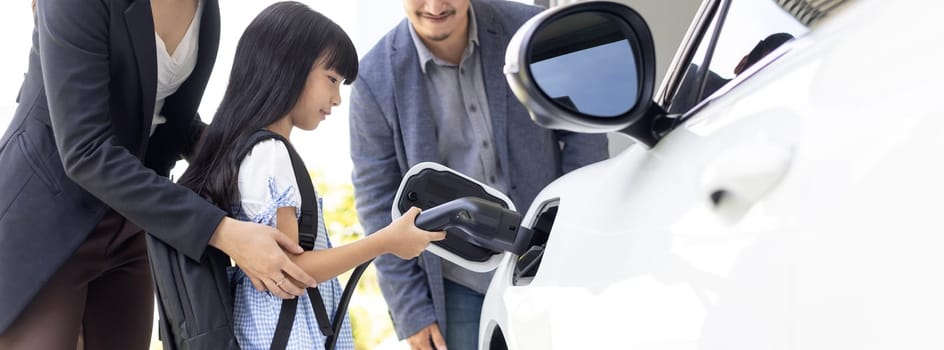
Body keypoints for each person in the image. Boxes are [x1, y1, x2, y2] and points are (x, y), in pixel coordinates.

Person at [0, 0, 320, 348]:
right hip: (49, 216)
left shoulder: (205, 10)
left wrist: (251, 157)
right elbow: (85, 150)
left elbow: (172, 121)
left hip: (134, 220)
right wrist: (220, 230)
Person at [175, 3, 446, 349]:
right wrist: (387, 241)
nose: (336, 99)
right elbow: (289, 268)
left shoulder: (251, 150)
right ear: (288, 67)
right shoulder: (269, 155)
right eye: (331, 79)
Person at [348, 0, 610, 349]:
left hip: (553, 254)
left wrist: (570, 228)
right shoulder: (373, 79)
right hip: (457, 281)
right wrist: (411, 310)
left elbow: (582, 131)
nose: (435, 5)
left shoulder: (531, 30)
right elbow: (377, 201)